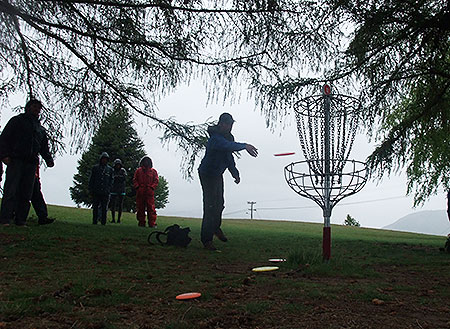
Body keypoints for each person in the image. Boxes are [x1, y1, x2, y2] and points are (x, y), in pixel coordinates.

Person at [198, 113, 258, 251]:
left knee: (220, 204)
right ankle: (206, 240)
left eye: (231, 124)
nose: (230, 127)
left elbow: (228, 158)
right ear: (221, 124)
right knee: (210, 206)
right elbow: (227, 146)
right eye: (228, 124)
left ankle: (215, 228)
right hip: (207, 174)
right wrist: (245, 146)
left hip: (217, 174)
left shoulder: (227, 139)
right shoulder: (215, 139)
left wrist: (235, 173)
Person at [0, 99, 54, 226]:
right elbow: (4, 138)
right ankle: (5, 219)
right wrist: (4, 155)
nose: (36, 110)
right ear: (28, 107)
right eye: (34, 107)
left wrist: (48, 159)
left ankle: (21, 220)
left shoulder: (40, 129)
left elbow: (43, 147)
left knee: (26, 193)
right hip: (16, 159)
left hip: (31, 163)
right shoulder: (17, 121)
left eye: (38, 108)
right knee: (11, 190)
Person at [133, 156, 159, 228]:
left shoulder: (153, 171)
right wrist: (138, 187)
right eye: (145, 161)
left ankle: (152, 223)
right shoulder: (138, 171)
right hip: (141, 192)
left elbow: (156, 181)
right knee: (140, 208)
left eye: (147, 161)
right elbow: (135, 180)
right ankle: (141, 223)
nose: (146, 163)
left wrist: (151, 188)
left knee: (151, 208)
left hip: (149, 193)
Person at [88, 152, 113, 225]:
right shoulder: (95, 168)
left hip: (105, 192)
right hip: (96, 191)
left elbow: (111, 180)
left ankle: (103, 222)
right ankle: (94, 221)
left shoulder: (109, 169)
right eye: (103, 159)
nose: (104, 161)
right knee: (95, 207)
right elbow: (92, 179)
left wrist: (109, 189)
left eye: (106, 159)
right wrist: (91, 189)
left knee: (104, 208)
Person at [110, 158, 127, 223]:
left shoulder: (123, 171)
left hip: (121, 189)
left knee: (120, 205)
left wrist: (117, 178)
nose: (118, 166)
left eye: (119, 165)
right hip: (114, 189)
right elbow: (112, 178)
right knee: (113, 205)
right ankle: (113, 219)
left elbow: (124, 178)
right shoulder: (113, 171)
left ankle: (119, 219)